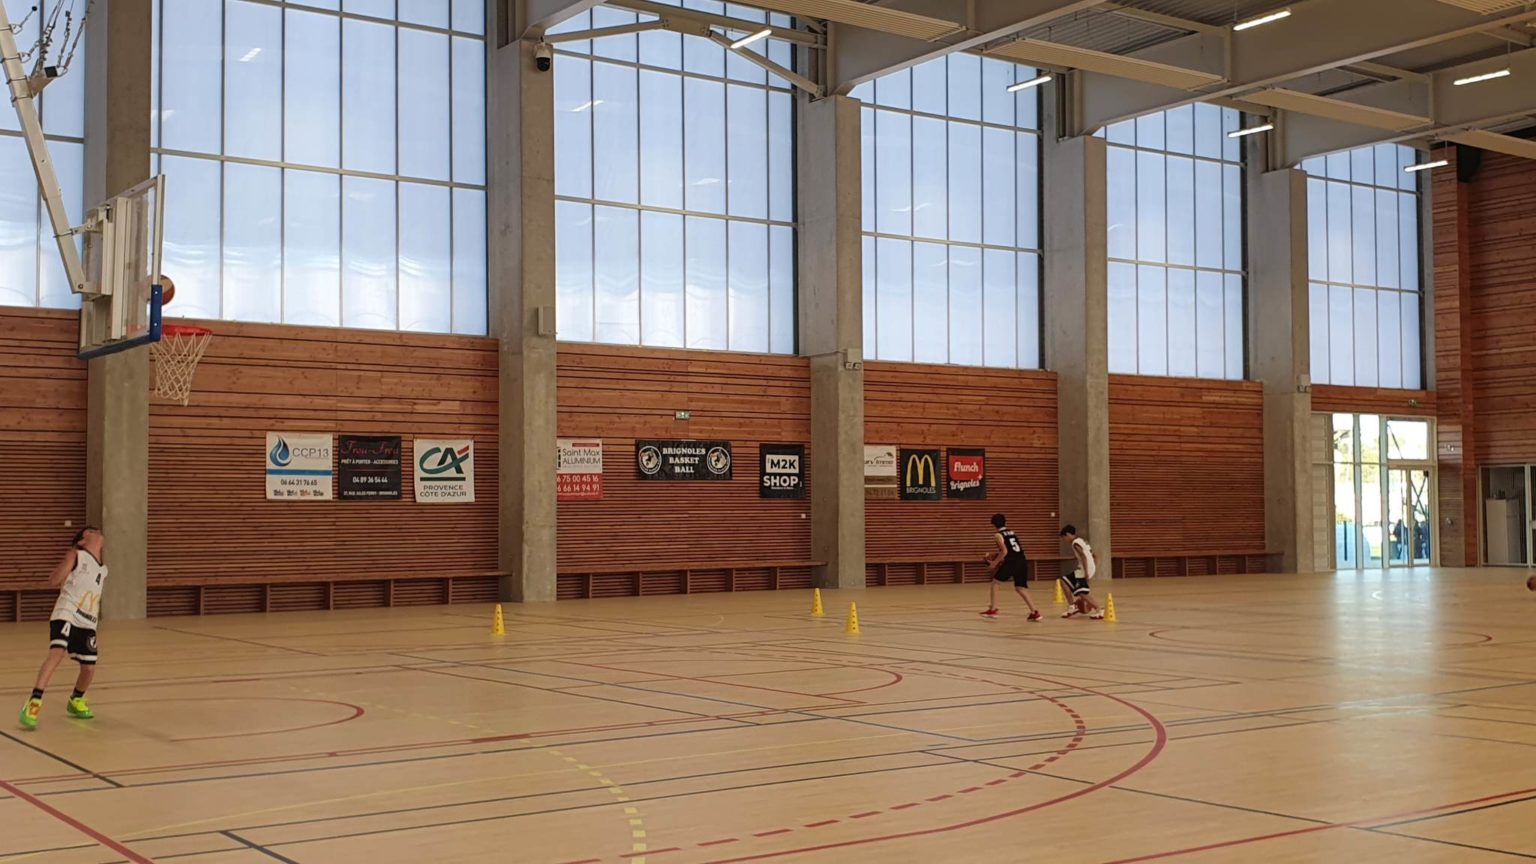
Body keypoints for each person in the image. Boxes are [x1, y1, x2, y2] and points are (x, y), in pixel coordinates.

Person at [18, 527, 106, 730]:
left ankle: (76, 700)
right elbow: (54, 580)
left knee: (89, 667)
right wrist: (66, 565)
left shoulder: (103, 569)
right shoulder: (76, 555)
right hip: (67, 612)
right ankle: (34, 702)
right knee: (56, 654)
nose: (97, 531)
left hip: (88, 621)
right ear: (82, 541)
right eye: (91, 531)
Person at [980, 513, 1042, 621]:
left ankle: (993, 610)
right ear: (1005, 522)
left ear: (993, 524)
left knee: (995, 583)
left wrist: (994, 563)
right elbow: (1011, 550)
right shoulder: (1012, 532)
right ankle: (1035, 612)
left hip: (1012, 562)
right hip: (1022, 561)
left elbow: (1005, 551)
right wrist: (995, 555)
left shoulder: (998, 535)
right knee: (1020, 588)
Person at [1058, 524, 1104, 620]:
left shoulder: (1075, 544)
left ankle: (1099, 610)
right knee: (1063, 581)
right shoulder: (1082, 541)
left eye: (1064, 538)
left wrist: (1087, 572)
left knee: (1081, 593)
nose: (1064, 540)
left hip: (1084, 569)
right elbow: (1095, 555)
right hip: (1086, 568)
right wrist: (1093, 567)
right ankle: (1072, 607)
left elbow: (1083, 557)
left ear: (1068, 534)